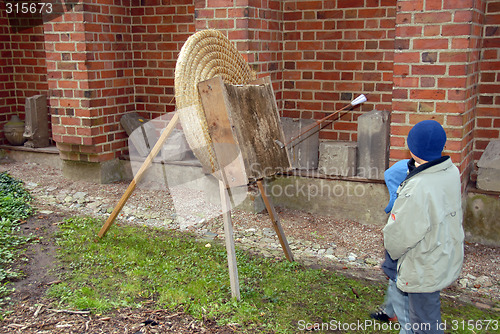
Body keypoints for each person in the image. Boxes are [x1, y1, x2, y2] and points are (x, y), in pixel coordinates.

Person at [383, 120, 465, 334]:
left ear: (411, 147)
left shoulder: (418, 188)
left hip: (422, 265)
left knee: (423, 320)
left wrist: (390, 248)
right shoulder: (451, 172)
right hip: (441, 253)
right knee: (421, 312)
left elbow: (400, 236)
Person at [370, 159, 411, 333]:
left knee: (398, 284)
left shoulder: (407, 212)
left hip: (406, 266)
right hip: (398, 258)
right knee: (393, 276)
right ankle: (390, 311)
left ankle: (407, 327)